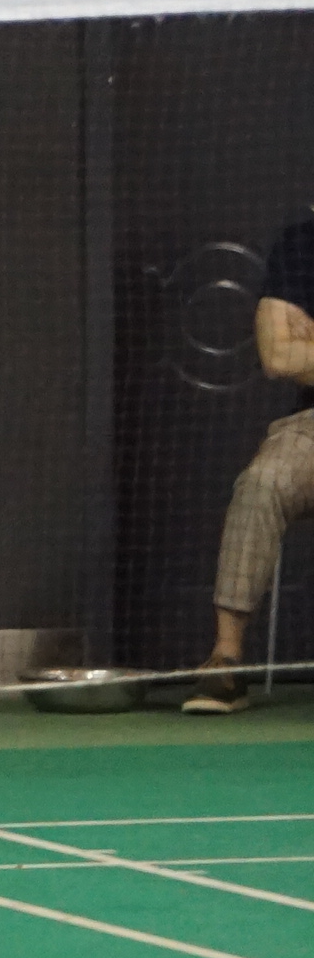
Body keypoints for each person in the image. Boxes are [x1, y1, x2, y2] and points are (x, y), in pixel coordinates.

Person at [183, 209, 314, 710]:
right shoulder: (302, 243)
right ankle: (226, 658)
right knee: (262, 482)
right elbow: (279, 356)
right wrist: (295, 349)